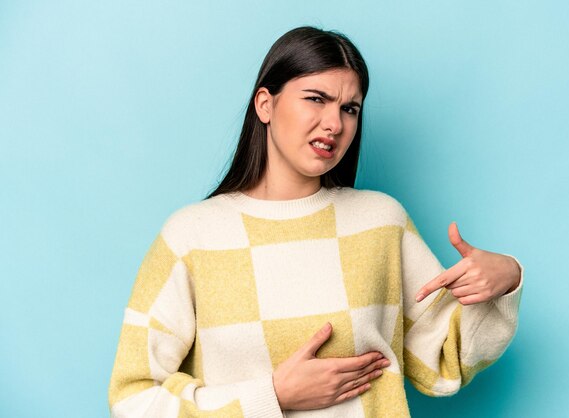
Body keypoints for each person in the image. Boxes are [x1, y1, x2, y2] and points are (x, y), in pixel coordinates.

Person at [109, 26, 523, 417]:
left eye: (350, 108)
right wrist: (271, 396)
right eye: (315, 98)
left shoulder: (380, 222)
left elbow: (442, 363)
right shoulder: (192, 236)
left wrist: (507, 278)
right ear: (265, 104)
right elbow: (134, 400)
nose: (335, 124)